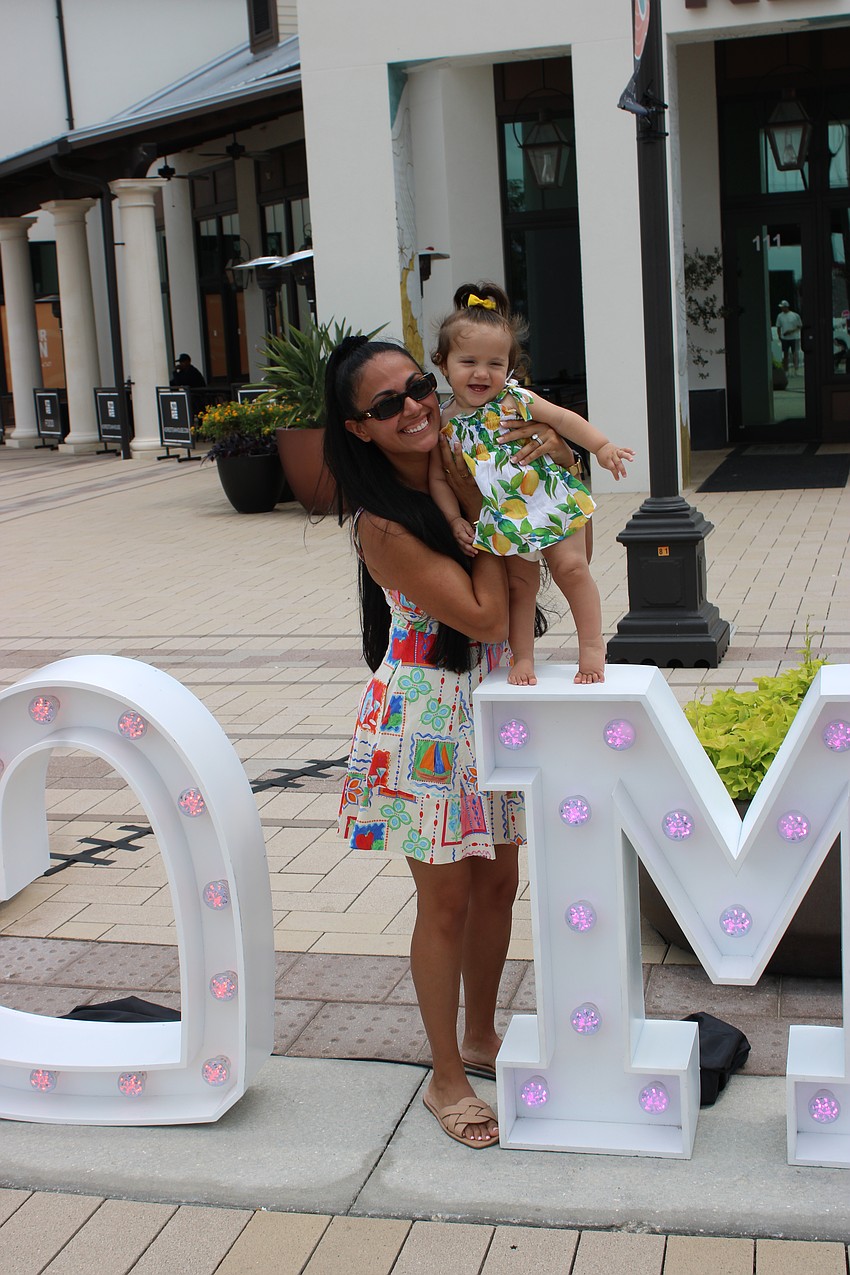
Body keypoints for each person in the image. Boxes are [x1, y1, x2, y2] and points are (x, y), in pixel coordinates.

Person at [324, 335, 576, 1149]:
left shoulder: (474, 452)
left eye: (418, 388)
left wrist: (550, 462)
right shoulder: (382, 523)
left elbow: (566, 545)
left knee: (501, 886)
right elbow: (478, 613)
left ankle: (482, 1034)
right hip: (426, 720)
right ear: (359, 428)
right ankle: (445, 1076)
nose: (415, 408)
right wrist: (477, 511)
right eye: (387, 404)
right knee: (447, 901)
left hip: (493, 703)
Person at [430, 283, 634, 686]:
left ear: (509, 366)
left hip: (550, 497)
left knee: (572, 569)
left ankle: (592, 646)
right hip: (504, 516)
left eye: (495, 363)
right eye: (468, 361)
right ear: (443, 363)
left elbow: (564, 420)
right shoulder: (443, 421)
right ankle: (523, 658)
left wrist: (602, 446)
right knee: (520, 588)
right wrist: (454, 519)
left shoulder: (514, 399)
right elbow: (437, 476)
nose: (482, 373)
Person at [776, 301, 803, 374]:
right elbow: (778, 327)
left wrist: (791, 331)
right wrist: (779, 336)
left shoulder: (795, 315)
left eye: (783, 307)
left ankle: (796, 370)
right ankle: (786, 370)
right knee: (785, 354)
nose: (781, 308)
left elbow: (799, 326)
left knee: (795, 353)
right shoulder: (780, 316)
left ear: (786, 307)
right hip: (785, 338)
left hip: (794, 337)